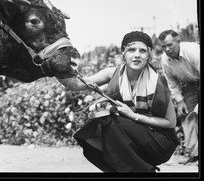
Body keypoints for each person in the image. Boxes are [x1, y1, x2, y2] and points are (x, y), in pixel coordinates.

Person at [58, 31, 179, 173]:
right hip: (132, 137)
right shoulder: (113, 73)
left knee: (108, 120)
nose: (137, 55)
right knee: (89, 136)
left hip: (160, 142)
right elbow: (75, 84)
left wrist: (133, 115)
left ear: (149, 54)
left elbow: (170, 122)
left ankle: (145, 172)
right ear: (123, 53)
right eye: (131, 50)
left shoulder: (157, 81)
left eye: (142, 51)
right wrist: (53, 65)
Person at [158, 30, 199, 163]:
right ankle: (195, 153)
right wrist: (180, 101)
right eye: (164, 46)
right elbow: (172, 82)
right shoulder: (165, 59)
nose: (167, 49)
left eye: (170, 45)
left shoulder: (193, 51)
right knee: (187, 114)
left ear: (178, 41)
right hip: (190, 84)